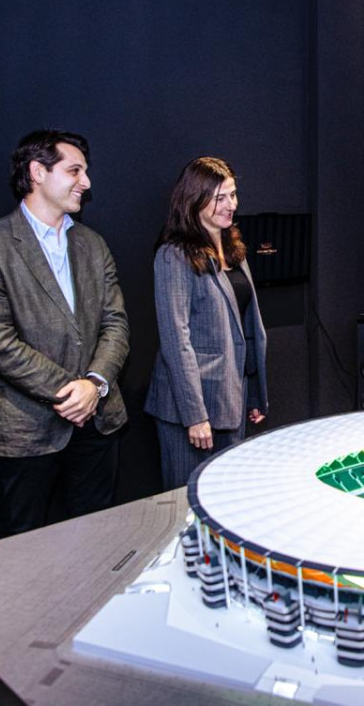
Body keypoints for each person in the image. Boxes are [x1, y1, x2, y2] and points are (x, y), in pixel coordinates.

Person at [0, 130, 129, 537]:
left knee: (97, 539)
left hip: (97, 422)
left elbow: (116, 323)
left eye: (85, 171)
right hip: (25, 429)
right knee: (23, 547)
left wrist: (94, 385)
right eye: (74, 171)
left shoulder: (93, 244)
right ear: (37, 172)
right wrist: (72, 392)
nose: (86, 182)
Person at [146, 157, 268, 490]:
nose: (232, 205)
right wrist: (195, 415)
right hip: (190, 408)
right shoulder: (173, 255)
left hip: (232, 398)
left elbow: (247, 330)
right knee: (187, 503)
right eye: (220, 198)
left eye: (233, 195)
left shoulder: (234, 249)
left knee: (228, 497)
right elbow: (176, 341)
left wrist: (254, 394)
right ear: (194, 200)